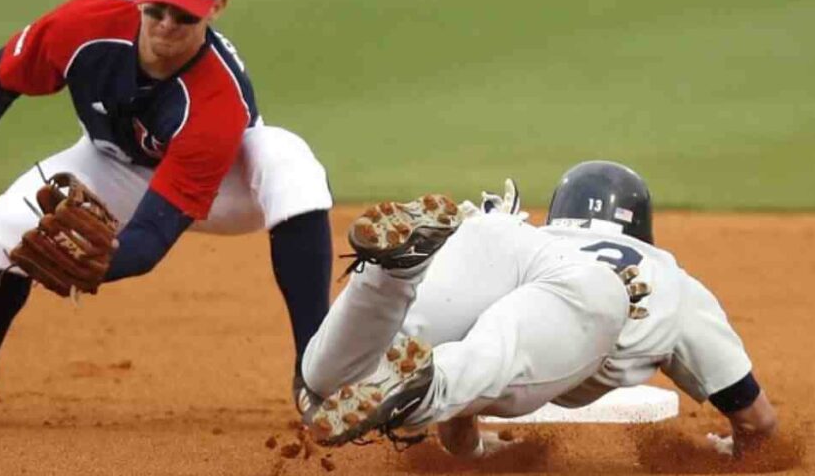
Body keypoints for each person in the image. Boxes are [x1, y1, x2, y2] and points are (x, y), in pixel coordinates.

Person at [0, 0, 333, 424]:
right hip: (114, 162)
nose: (165, 24)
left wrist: (98, 263)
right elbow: (0, 77)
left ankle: (318, 375)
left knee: (289, 161)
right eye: (156, 8)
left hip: (229, 187)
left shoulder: (216, 100)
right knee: (7, 226)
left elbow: (153, 236)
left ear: (215, 10)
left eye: (183, 15)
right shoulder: (86, 23)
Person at [297, 161, 777, 459]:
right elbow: (756, 421)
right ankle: (424, 387)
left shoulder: (542, 236)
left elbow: (464, 419)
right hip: (593, 294)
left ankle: (391, 276)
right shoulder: (672, 280)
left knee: (329, 385)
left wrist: (472, 450)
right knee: (501, 351)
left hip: (499, 236)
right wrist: (738, 454)